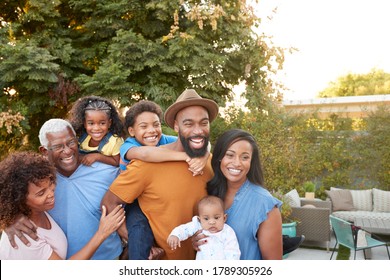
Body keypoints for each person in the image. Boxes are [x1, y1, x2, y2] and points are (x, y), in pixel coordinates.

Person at [101, 88, 219, 260]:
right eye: (188, 123)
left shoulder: (211, 161)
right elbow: (109, 203)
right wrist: (138, 243)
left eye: (204, 122)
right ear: (176, 126)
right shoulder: (146, 163)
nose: (198, 130)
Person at [4, 119, 123, 259]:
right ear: (44, 150)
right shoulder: (35, 182)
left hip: (111, 259)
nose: (67, 151)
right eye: (58, 146)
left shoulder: (108, 172)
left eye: (71, 142)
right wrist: (8, 220)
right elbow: (9, 197)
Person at [193, 128, 284, 260]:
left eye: (245, 157)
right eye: (230, 155)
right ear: (219, 157)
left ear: (251, 162)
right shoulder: (209, 193)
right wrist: (198, 242)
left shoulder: (265, 204)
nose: (236, 163)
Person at [167, 195, 240, 260]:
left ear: (224, 218)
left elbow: (233, 252)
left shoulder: (227, 232)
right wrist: (175, 235)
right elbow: (184, 229)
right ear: (199, 219)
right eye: (206, 219)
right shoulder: (198, 226)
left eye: (216, 217)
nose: (212, 222)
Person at [68, 95, 124, 167]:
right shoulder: (81, 137)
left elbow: (116, 162)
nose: (96, 128)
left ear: (109, 123)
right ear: (84, 123)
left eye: (102, 123)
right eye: (91, 123)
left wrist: (97, 157)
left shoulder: (115, 141)